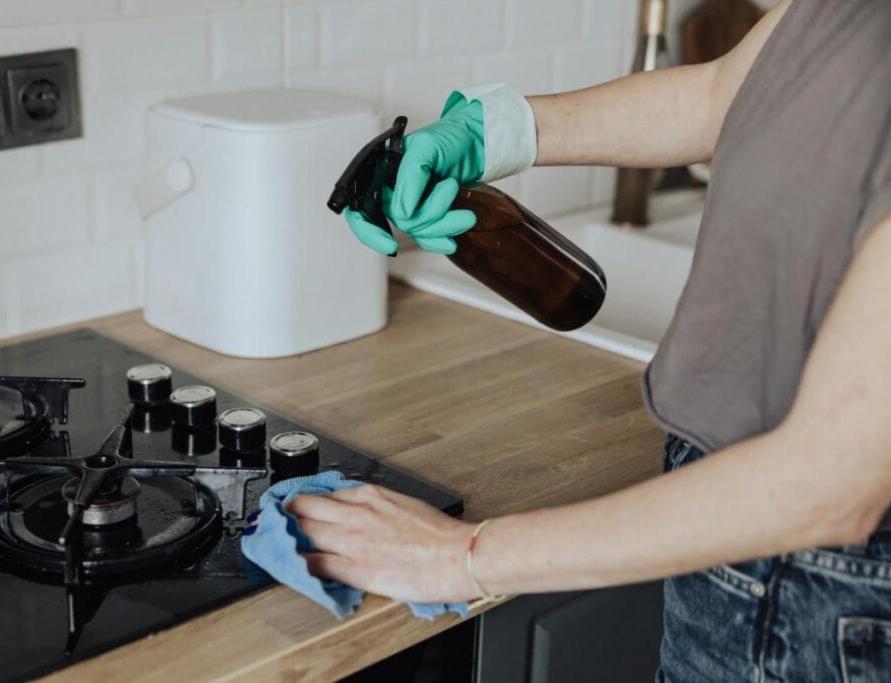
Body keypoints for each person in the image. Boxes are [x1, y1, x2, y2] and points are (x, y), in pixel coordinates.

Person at [288, 0, 891, 679]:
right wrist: (497, 132)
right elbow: (723, 93)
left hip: (821, 599)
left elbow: (830, 483)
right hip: (749, 548)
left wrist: (459, 556)